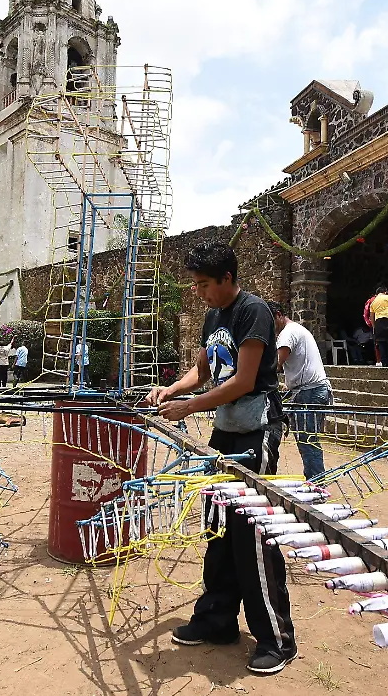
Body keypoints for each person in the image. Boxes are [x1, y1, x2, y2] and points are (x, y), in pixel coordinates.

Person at [145, 242, 296, 675]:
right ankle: (217, 620)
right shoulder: (213, 317)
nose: (199, 292)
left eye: (204, 284)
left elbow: (245, 380)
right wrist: (172, 390)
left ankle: (276, 638)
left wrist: (190, 407)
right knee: (216, 525)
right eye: (196, 284)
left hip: (256, 430)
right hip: (225, 431)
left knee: (251, 533)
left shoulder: (254, 312)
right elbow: (204, 371)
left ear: (227, 278)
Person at [270, 302, 331, 482]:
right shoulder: (296, 330)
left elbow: (274, 365)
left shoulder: (287, 334)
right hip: (312, 388)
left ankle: (316, 483)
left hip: (310, 391)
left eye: (270, 321)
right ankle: (315, 480)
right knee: (308, 439)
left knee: (307, 440)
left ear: (279, 315)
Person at [368, 284, 388, 367]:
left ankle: (384, 364)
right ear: (385, 292)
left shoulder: (373, 302)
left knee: (381, 343)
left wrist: (374, 327)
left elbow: (371, 317)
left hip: (378, 323)